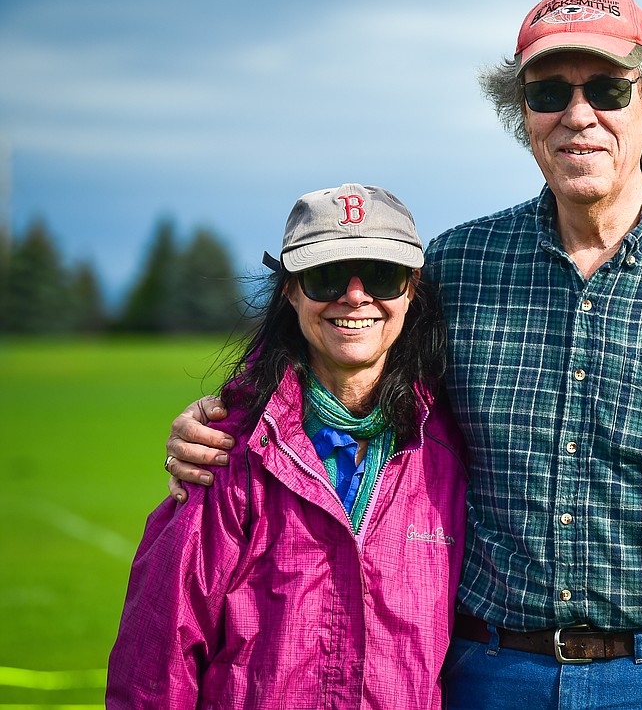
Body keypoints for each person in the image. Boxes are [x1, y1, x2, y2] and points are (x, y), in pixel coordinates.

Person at [166, 0, 642, 709]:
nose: (578, 115)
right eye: (549, 91)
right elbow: (341, 379)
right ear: (522, 114)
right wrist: (224, 427)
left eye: (609, 90)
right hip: (490, 674)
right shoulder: (458, 267)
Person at [111, 184, 467, 709]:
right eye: (325, 276)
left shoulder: (451, 445)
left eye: (381, 276)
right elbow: (158, 661)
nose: (354, 296)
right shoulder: (226, 453)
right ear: (290, 291)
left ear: (411, 290)